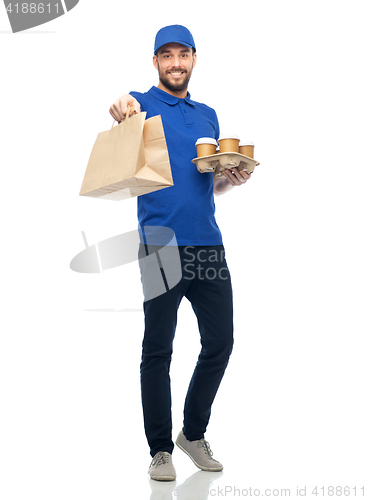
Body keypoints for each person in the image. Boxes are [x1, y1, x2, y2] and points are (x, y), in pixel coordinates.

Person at [109, 25, 251, 481]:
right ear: (155, 62)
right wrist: (123, 106)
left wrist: (231, 179)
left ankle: (192, 434)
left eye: (182, 54)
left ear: (194, 59)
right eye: (165, 55)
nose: (175, 63)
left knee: (221, 342)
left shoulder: (208, 115)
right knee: (159, 348)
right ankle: (160, 450)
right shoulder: (141, 101)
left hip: (208, 243)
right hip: (161, 245)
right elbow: (120, 106)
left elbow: (208, 186)